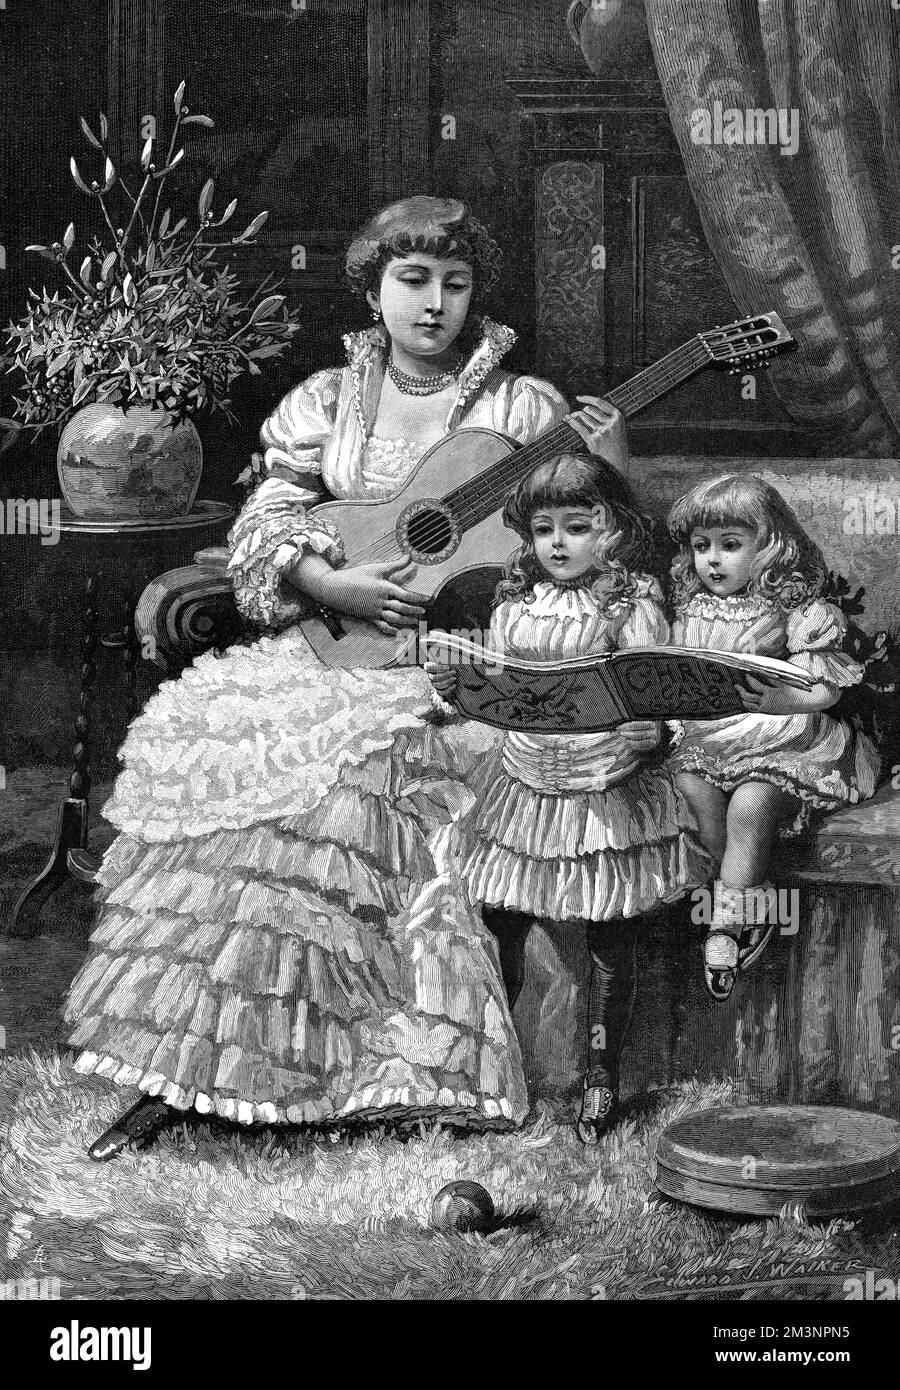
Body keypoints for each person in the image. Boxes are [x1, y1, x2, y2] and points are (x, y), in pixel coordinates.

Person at [63, 195, 627, 1160]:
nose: (435, 304)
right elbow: (265, 522)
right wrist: (331, 579)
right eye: (412, 282)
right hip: (339, 645)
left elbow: (586, 542)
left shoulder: (522, 408)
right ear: (373, 291)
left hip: (461, 660)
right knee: (239, 790)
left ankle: (377, 1074)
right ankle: (194, 1067)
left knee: (351, 786)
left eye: (455, 284)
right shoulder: (327, 399)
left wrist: (608, 463)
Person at [427, 451, 714, 1143]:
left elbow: (661, 691)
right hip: (523, 789)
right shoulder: (515, 603)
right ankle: (499, 1070)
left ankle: (601, 1076)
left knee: (610, 936)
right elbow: (499, 690)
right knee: (502, 926)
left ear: (612, 529)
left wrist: (656, 731)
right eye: (544, 529)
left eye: (578, 526)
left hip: (606, 790)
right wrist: (458, 700)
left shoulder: (633, 603)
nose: (558, 543)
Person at [666, 473, 881, 1002]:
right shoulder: (691, 612)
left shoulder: (800, 614)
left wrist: (783, 701)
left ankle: (725, 926)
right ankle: (751, 895)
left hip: (786, 737)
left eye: (731, 545)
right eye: (701, 547)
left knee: (752, 803)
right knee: (691, 790)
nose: (712, 560)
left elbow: (823, 691)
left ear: (770, 549)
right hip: (711, 737)